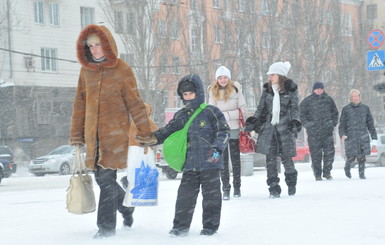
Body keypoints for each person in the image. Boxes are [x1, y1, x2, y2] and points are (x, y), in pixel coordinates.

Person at [69, 24, 155, 239]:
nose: (94, 49)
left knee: (106, 182)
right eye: (90, 46)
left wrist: (144, 131)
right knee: (102, 180)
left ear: (107, 44)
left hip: (115, 135)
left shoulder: (122, 69)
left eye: (98, 45)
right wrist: (77, 135)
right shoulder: (85, 71)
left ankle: (106, 229)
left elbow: (135, 103)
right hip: (92, 137)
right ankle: (126, 207)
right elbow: (80, 104)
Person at [141, 74, 229, 236]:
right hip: (190, 165)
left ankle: (210, 228)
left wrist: (217, 148)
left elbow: (223, 131)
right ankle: (180, 227)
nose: (188, 97)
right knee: (184, 198)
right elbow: (168, 130)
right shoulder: (181, 115)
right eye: (185, 95)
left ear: (199, 93)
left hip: (211, 162)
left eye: (190, 93)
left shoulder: (211, 111)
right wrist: (152, 139)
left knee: (211, 198)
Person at [245, 61, 301, 198]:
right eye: (270, 74)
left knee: (287, 159)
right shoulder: (267, 90)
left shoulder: (291, 90)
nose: (270, 76)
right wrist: (254, 121)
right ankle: (273, 188)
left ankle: (291, 182)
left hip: (285, 127)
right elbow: (261, 108)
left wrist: (294, 123)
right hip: (269, 128)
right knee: (270, 160)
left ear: (281, 75)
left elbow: (294, 108)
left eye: (273, 74)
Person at [208, 65, 247, 200]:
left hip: (234, 129)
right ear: (217, 79)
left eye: (225, 77)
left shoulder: (236, 91)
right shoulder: (212, 92)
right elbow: (211, 112)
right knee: (222, 161)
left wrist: (226, 115)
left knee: (235, 160)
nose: (223, 80)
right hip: (220, 131)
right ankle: (225, 188)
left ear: (229, 78)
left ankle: (237, 187)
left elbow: (243, 109)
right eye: (220, 78)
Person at [300, 82, 339, 181]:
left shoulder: (329, 100)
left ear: (323, 89)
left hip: (327, 132)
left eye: (321, 88)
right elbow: (302, 116)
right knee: (316, 155)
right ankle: (317, 174)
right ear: (314, 89)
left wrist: (332, 124)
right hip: (314, 134)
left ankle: (327, 172)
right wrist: (309, 125)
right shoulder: (307, 101)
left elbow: (335, 113)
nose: (319, 90)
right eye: (317, 89)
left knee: (329, 153)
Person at [339, 89, 377, 179]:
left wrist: (373, 136)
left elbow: (370, 123)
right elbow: (342, 124)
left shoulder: (365, 108)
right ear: (351, 97)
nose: (355, 98)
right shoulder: (346, 109)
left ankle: (361, 174)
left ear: (359, 97)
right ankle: (347, 168)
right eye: (353, 96)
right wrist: (342, 134)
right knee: (351, 157)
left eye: (357, 96)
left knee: (362, 157)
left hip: (362, 135)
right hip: (350, 136)